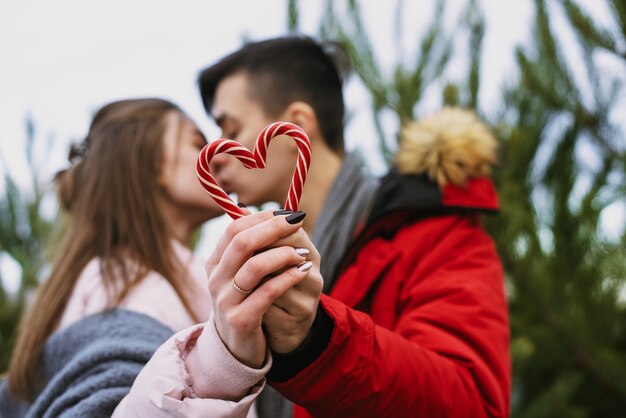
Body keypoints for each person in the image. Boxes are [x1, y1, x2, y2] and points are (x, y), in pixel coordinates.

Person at [198, 36, 510, 418]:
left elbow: (471, 404)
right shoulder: (253, 266)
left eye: (231, 130)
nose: (217, 156)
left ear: (295, 126)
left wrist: (315, 340)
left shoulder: (437, 233)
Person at [1, 98, 322, 417]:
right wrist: (219, 362)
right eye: (198, 142)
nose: (222, 158)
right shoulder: (118, 288)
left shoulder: (159, 278)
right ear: (146, 161)